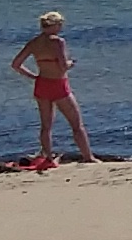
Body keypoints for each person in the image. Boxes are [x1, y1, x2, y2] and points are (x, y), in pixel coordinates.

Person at [8, 11, 95, 166]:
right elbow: (62, 67)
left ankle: (48, 158)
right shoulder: (58, 42)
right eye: (60, 24)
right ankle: (88, 156)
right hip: (58, 85)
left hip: (42, 84)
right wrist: (71, 64)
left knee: (46, 126)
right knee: (76, 124)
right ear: (55, 25)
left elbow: (16, 64)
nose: (61, 27)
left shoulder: (34, 42)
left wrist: (33, 76)